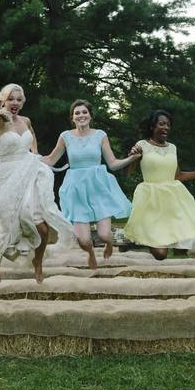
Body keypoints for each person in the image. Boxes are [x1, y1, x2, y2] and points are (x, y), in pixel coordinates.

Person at [0, 63, 74, 283]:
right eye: (11, 98)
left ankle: (37, 262)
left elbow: (32, 141)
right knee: (7, 219)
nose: (15, 103)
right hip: (7, 176)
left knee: (42, 226)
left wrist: (37, 157)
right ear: (3, 100)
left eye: (19, 99)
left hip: (29, 173)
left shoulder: (26, 121)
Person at [42, 100, 140, 270]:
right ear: (72, 118)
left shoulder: (100, 135)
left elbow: (113, 163)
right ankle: (90, 253)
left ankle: (109, 245)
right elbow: (50, 160)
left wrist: (132, 158)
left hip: (98, 187)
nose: (81, 115)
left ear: (90, 115)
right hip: (76, 189)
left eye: (84, 112)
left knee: (104, 234)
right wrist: (28, 157)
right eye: (77, 113)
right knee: (84, 239)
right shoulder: (66, 136)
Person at [122, 110, 195, 260]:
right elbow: (128, 172)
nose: (166, 127)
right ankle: (146, 236)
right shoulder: (142, 145)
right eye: (162, 124)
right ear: (152, 126)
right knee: (160, 254)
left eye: (168, 125)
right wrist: (132, 157)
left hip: (172, 199)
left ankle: (156, 236)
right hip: (150, 199)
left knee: (170, 246)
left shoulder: (172, 148)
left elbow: (178, 175)